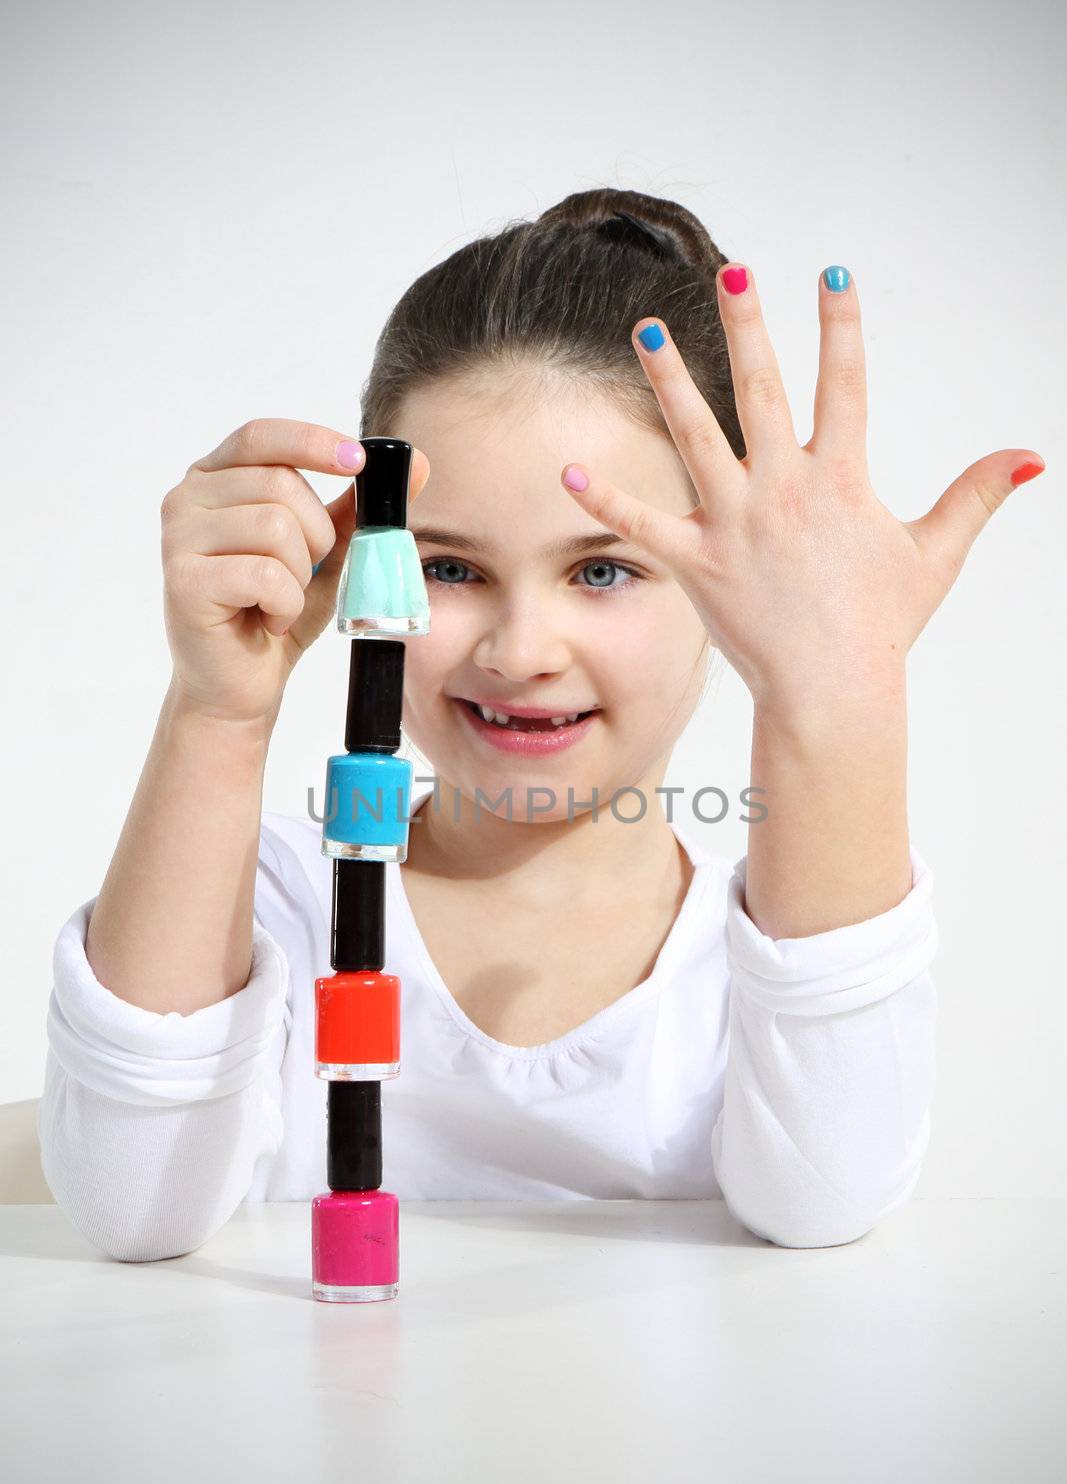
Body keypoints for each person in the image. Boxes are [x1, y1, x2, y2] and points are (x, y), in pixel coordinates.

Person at [38, 188, 1044, 1264]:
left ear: (725, 583)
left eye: (600, 568)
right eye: (450, 567)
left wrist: (832, 688)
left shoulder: (754, 947)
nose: (518, 649)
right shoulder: (270, 912)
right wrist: (219, 711)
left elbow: (824, 1199)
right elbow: (130, 1210)